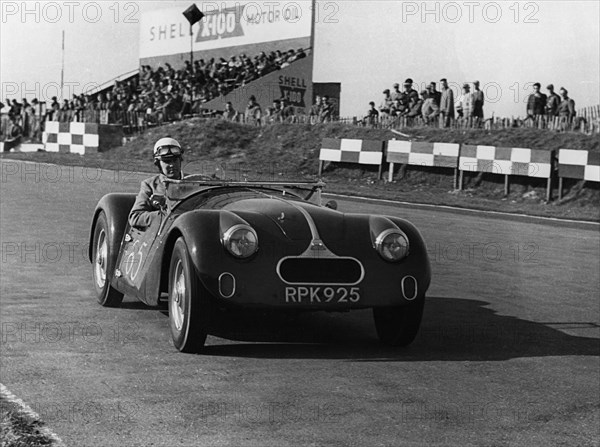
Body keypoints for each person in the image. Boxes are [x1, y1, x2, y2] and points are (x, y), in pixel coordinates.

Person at [128, 137, 184, 229]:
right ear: (158, 163)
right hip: (163, 232)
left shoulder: (195, 181)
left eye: (175, 160)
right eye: (166, 161)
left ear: (180, 160)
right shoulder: (149, 185)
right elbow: (135, 217)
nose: (172, 165)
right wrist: (165, 215)